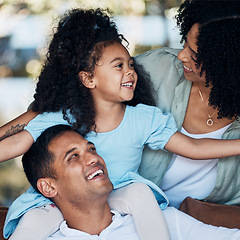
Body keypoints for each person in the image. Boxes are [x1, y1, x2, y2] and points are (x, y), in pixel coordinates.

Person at [1, 5, 240, 240]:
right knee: (33, 220)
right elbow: (15, 144)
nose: (130, 72)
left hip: (118, 193)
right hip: (64, 198)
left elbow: (194, 148)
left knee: (141, 193)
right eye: (119, 66)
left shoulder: (144, 118)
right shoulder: (65, 116)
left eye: (131, 65)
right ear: (88, 79)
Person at [20, 124, 240, 240]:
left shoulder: (165, 222)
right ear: (48, 187)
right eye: (73, 156)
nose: (94, 158)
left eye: (91, 149)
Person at [135, 0, 240, 209]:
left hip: (204, 224)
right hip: (136, 212)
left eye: (194, 55)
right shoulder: (153, 70)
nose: (181, 55)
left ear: (228, 64)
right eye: (184, 44)